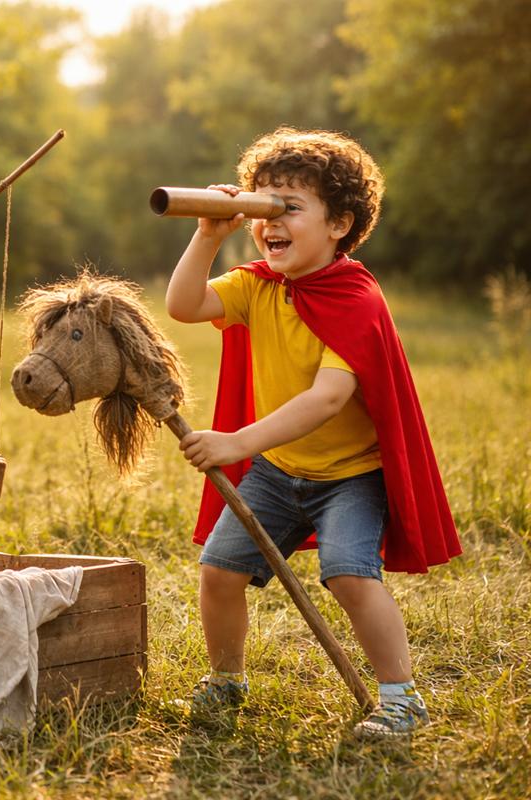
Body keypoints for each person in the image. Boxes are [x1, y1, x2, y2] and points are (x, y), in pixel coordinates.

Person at [164, 126, 460, 738]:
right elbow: (184, 305)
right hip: (278, 473)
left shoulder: (354, 297)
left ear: (339, 224)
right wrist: (205, 235)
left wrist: (237, 443)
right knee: (220, 572)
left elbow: (328, 397)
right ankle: (226, 679)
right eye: (260, 207)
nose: (269, 220)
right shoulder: (256, 286)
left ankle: (401, 697)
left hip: (351, 475)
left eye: (288, 207)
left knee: (350, 573)